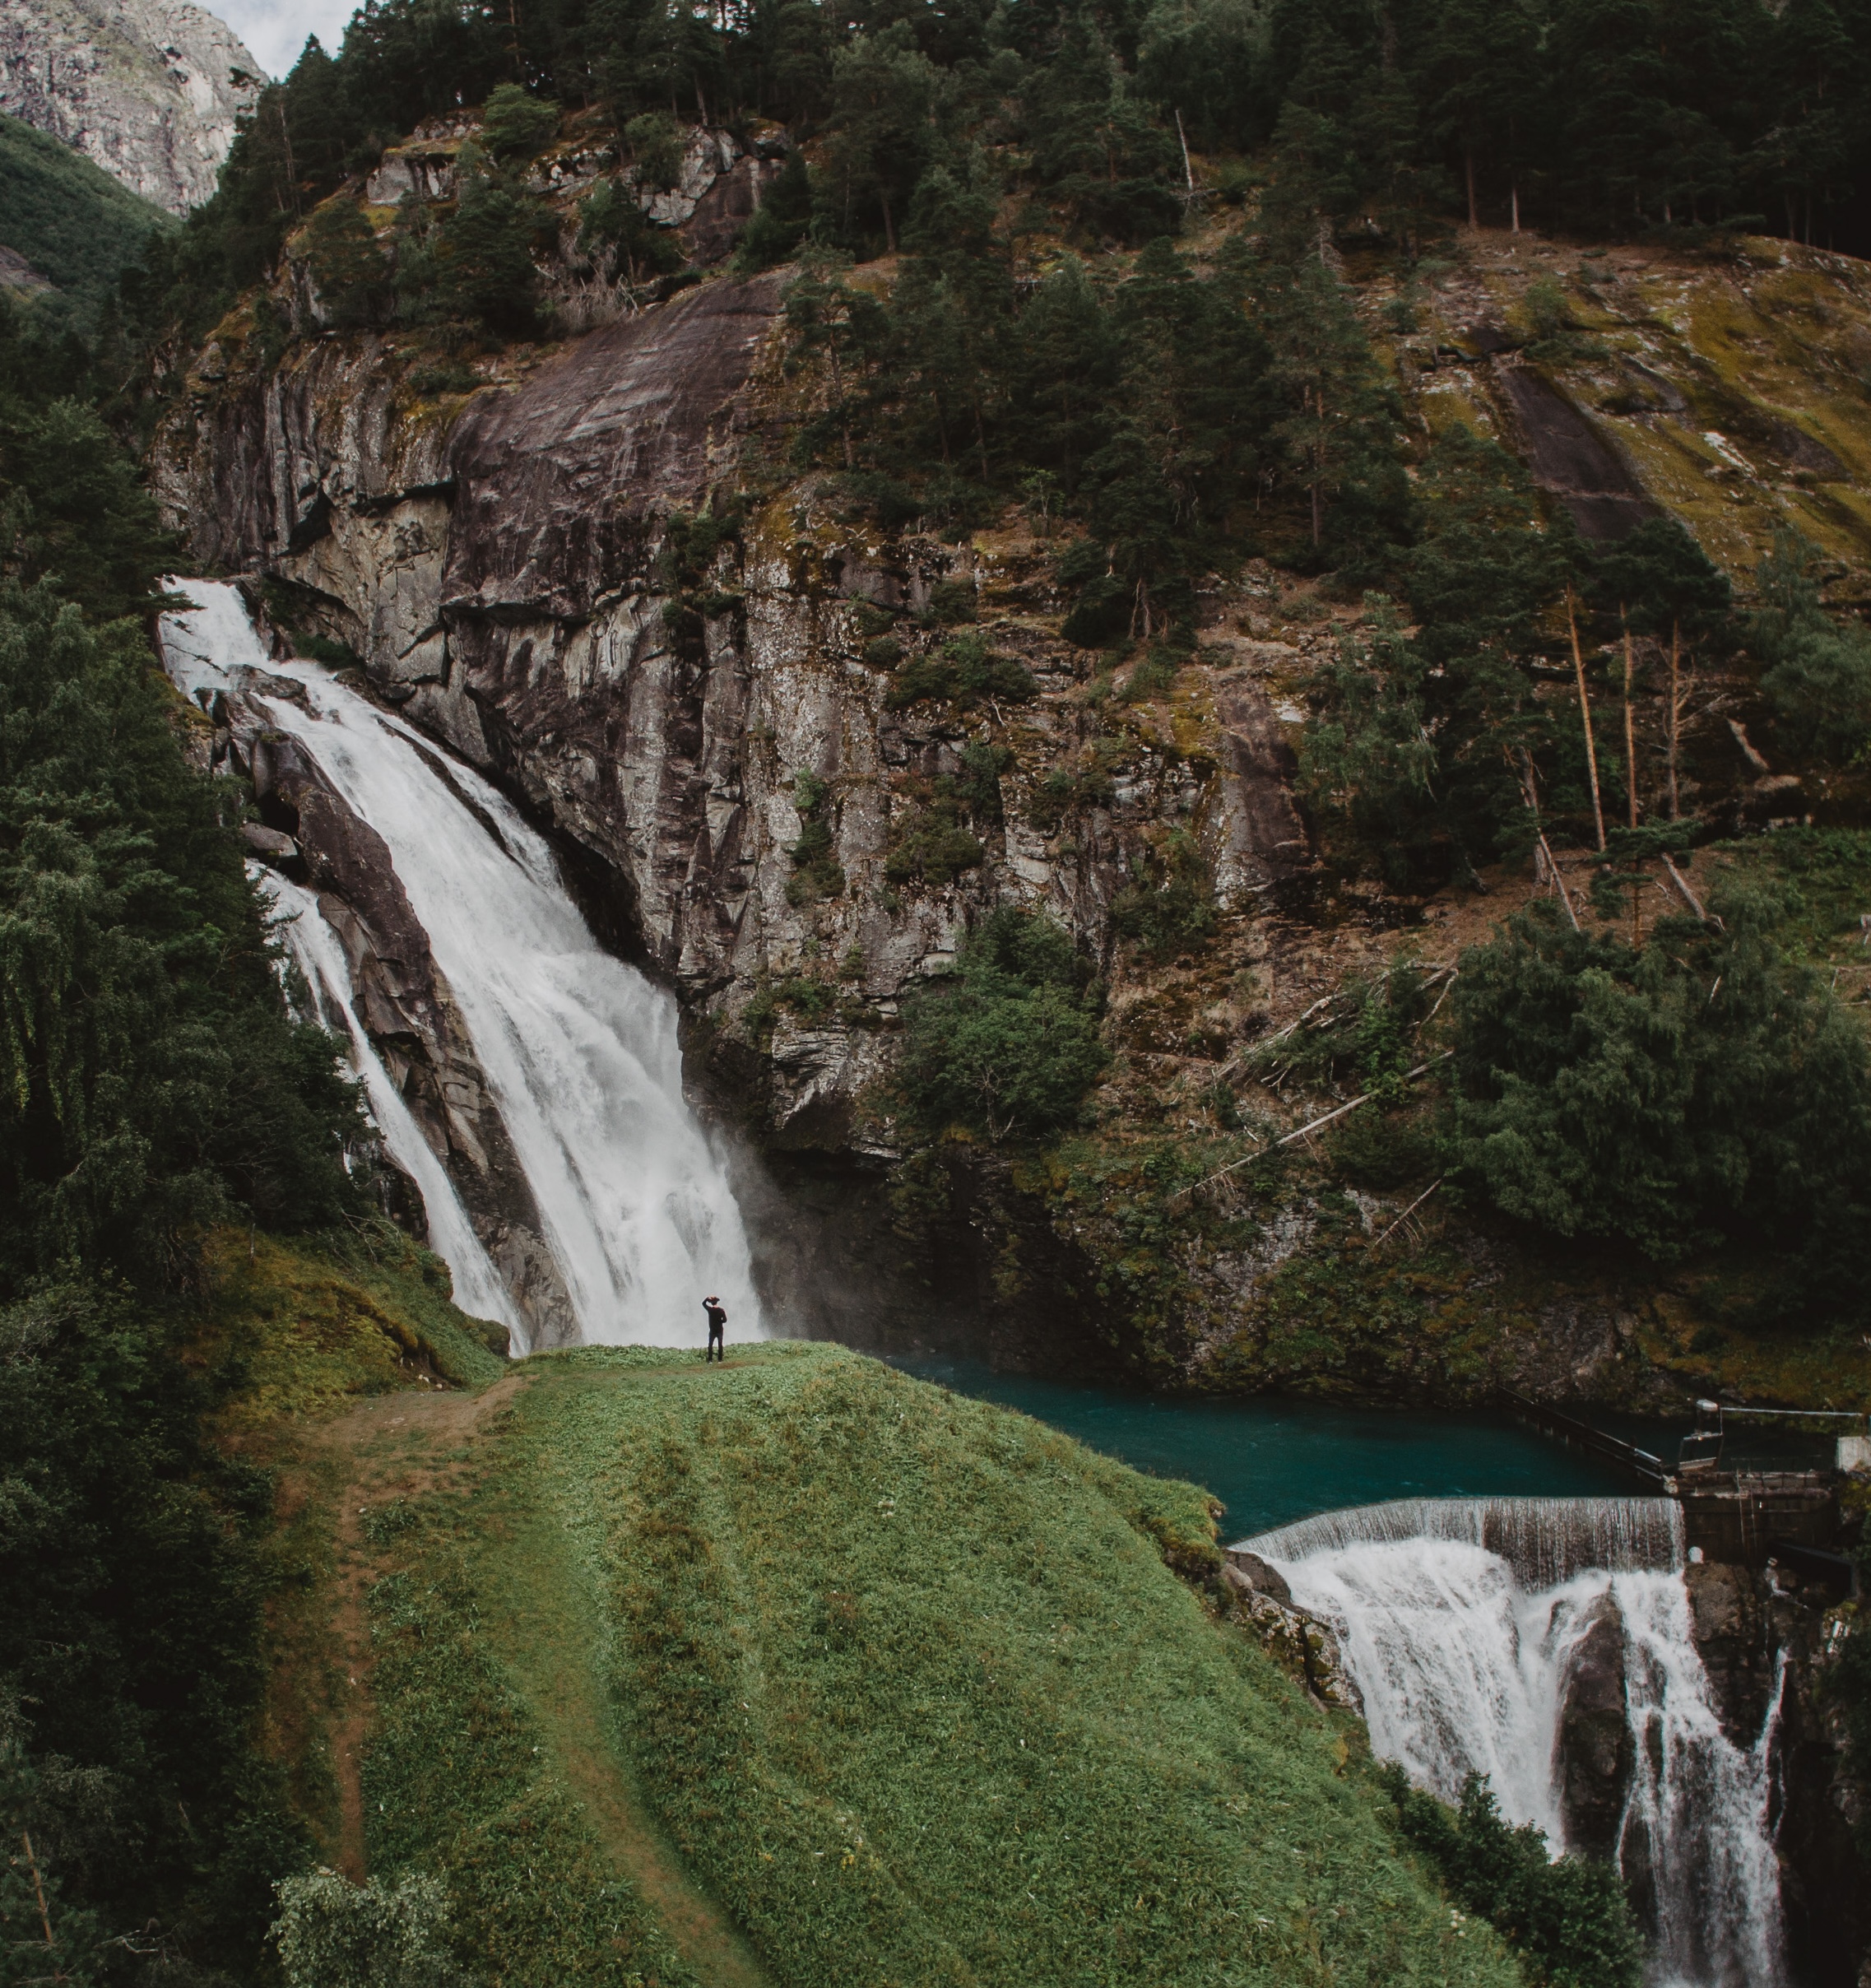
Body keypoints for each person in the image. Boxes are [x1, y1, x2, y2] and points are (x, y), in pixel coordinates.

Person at [703, 1294, 727, 1363]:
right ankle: (720, 1360)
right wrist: (720, 1321)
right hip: (719, 1330)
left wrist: (707, 1298)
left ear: (711, 1303)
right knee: (720, 1344)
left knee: (710, 1345)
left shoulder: (710, 1310)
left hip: (712, 1330)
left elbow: (703, 1304)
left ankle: (710, 1360)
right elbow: (725, 1320)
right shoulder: (721, 1310)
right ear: (717, 1302)